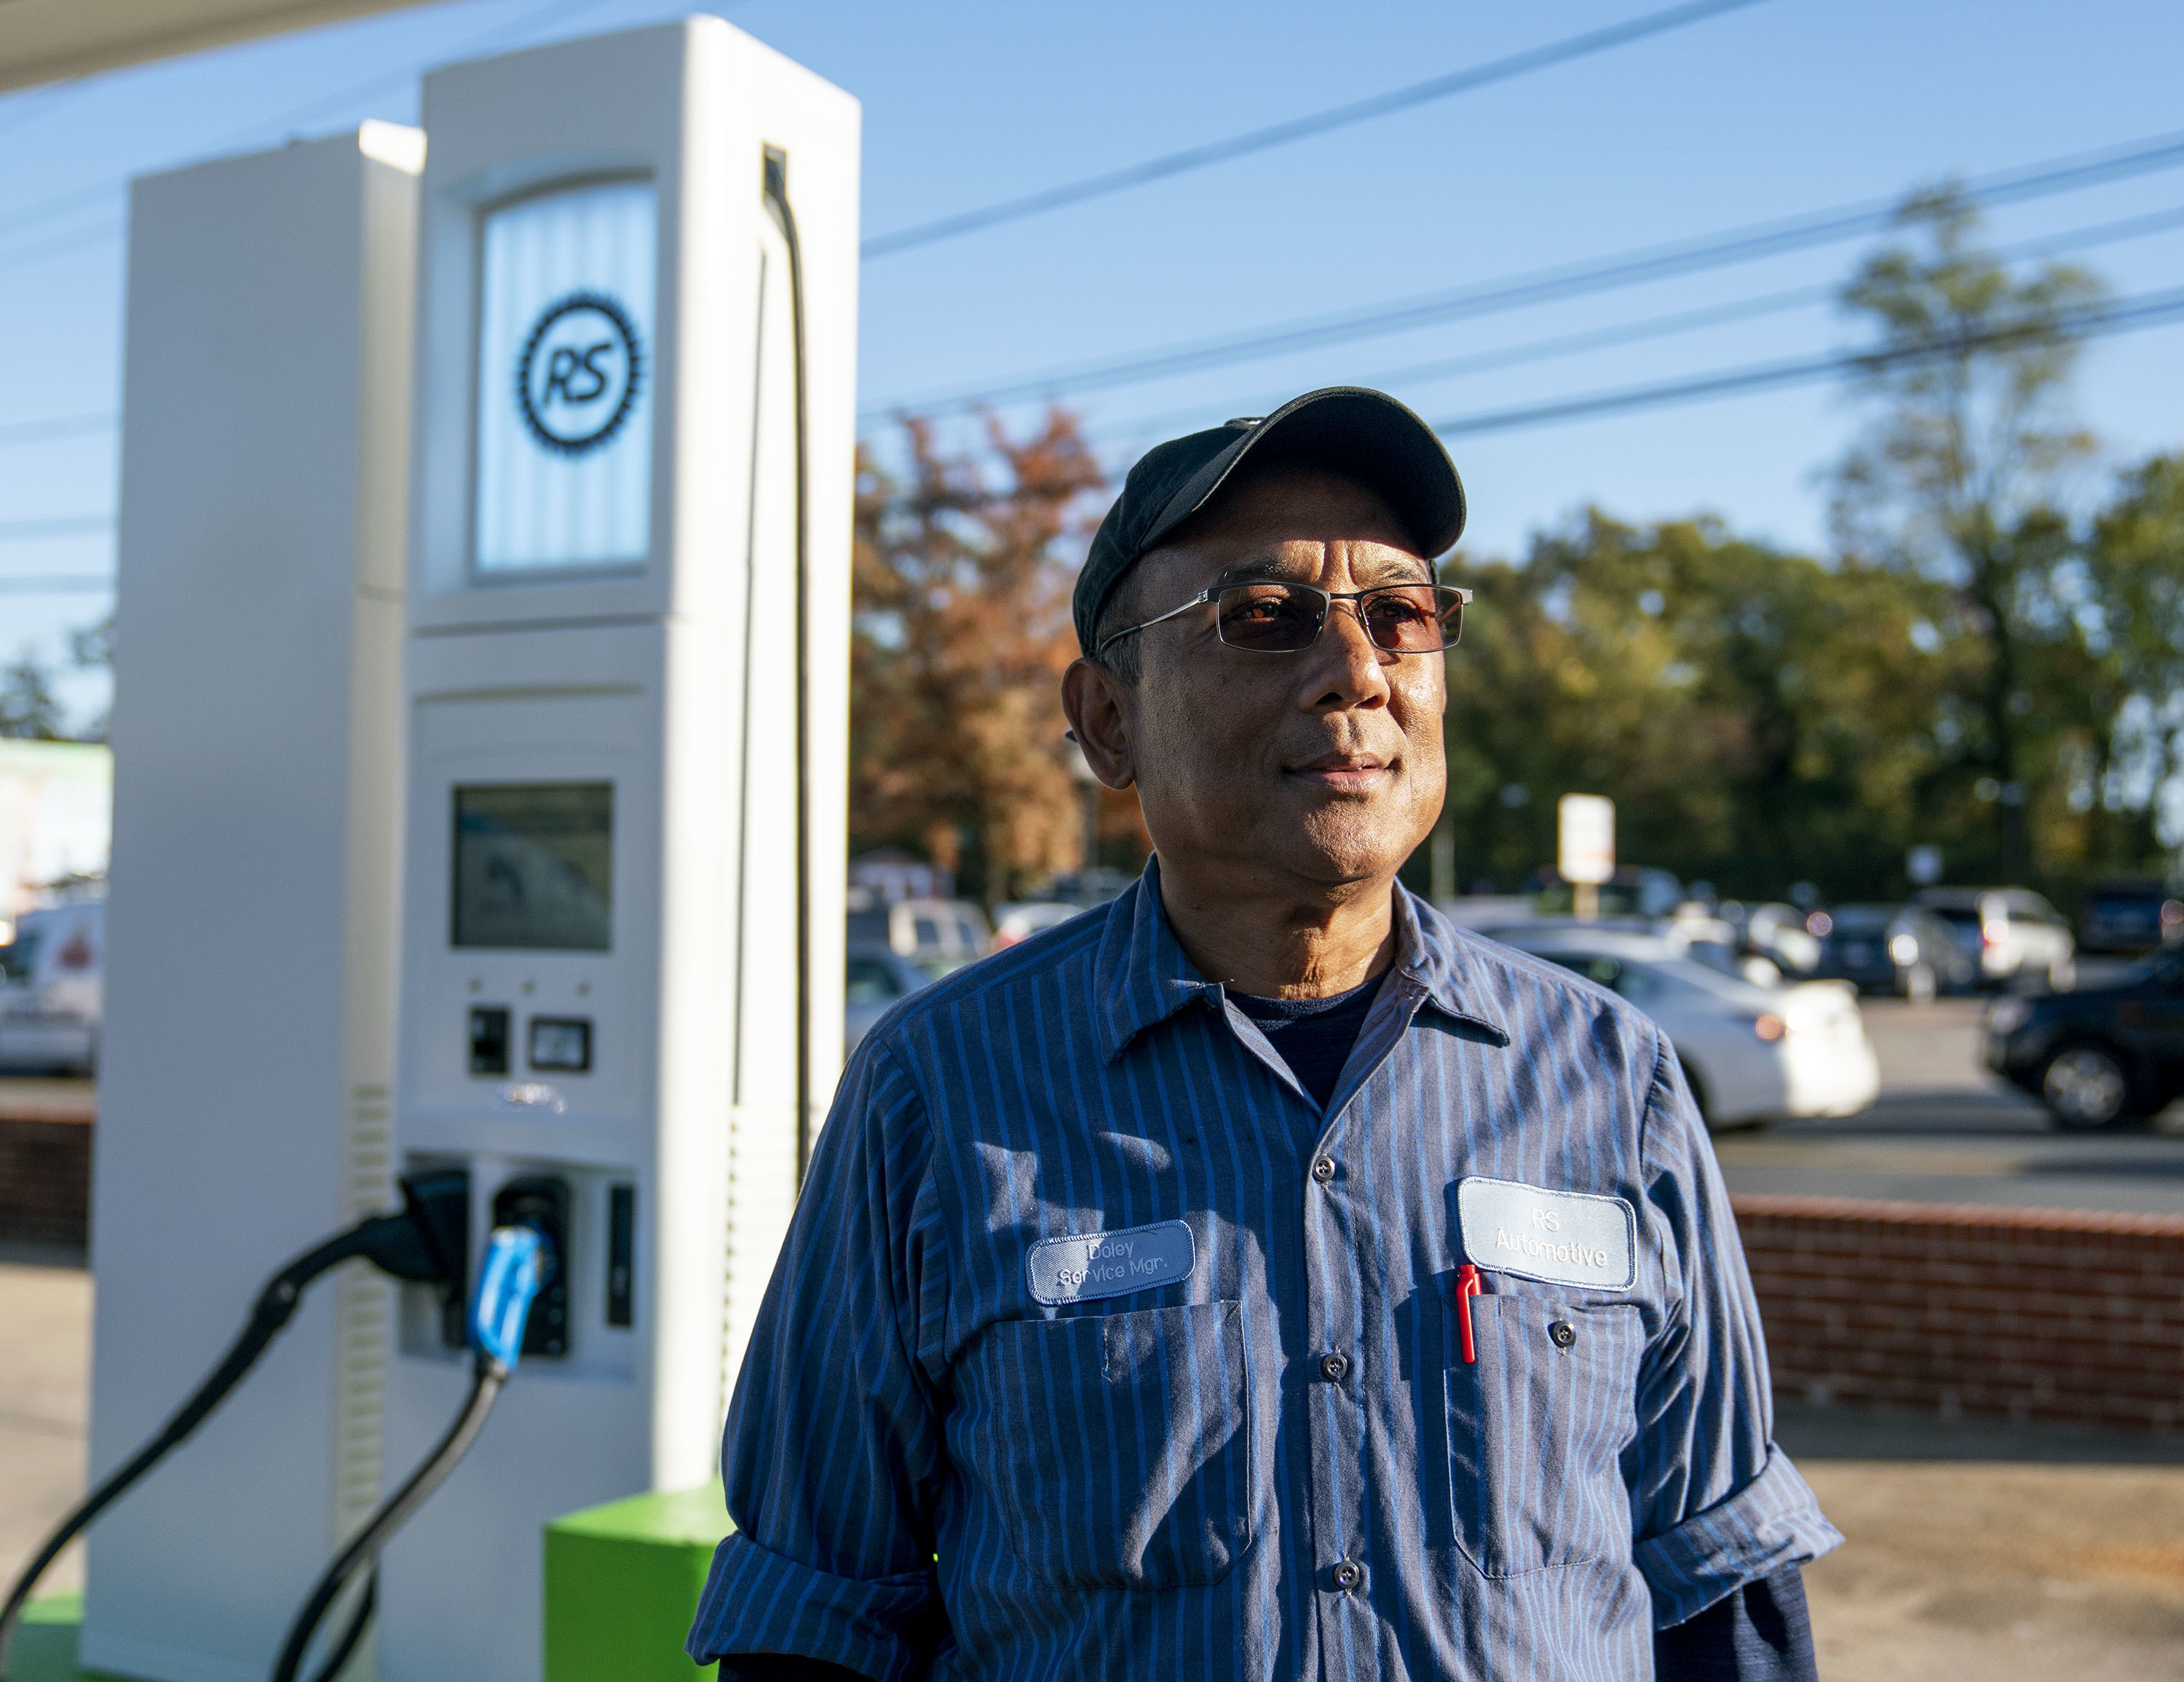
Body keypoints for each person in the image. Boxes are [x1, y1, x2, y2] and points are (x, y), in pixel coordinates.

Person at [687, 386, 1840, 1680]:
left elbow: (1713, 1572)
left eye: (1401, 616)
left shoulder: (1610, 1078)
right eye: (1262, 619)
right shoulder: (939, 1089)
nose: (1357, 671)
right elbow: (820, 1607)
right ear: (1108, 720)